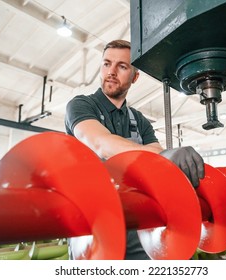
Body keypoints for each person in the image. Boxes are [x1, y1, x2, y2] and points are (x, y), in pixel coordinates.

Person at [65, 39, 204, 259]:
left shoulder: (139, 120)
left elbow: (159, 164)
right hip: (93, 227)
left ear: (135, 76)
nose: (111, 71)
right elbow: (100, 142)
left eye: (122, 66)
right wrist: (164, 156)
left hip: (138, 228)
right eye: (106, 63)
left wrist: (206, 172)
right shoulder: (81, 105)